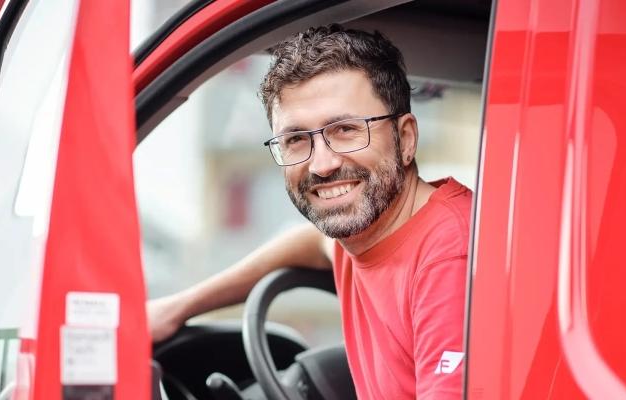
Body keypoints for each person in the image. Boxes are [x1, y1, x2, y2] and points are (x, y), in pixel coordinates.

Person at [148, 24, 471, 399]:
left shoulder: (450, 258)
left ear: (406, 138)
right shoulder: (365, 232)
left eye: (346, 130)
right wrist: (176, 309)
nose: (322, 164)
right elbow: (310, 243)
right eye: (296, 139)